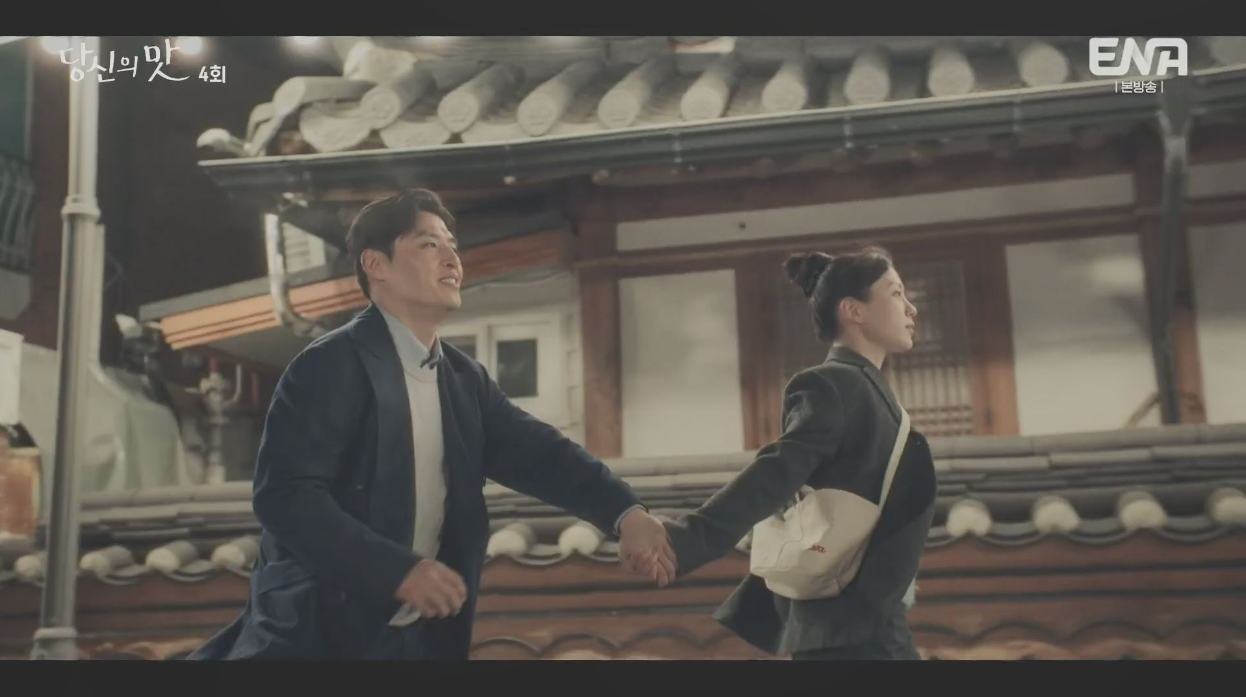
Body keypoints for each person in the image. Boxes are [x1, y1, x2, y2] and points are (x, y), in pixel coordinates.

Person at [188, 189, 675, 660]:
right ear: (375, 264)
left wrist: (625, 513)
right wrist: (396, 571)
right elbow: (286, 496)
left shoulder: (463, 380)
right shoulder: (329, 364)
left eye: (452, 245)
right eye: (428, 244)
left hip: (416, 640)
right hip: (316, 635)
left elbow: (540, 454)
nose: (451, 258)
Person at [637, 246, 937, 660]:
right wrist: (686, 540)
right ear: (854, 310)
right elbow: (773, 476)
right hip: (841, 623)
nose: (911, 307)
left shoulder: (868, 390)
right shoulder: (832, 385)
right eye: (896, 293)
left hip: (865, 618)